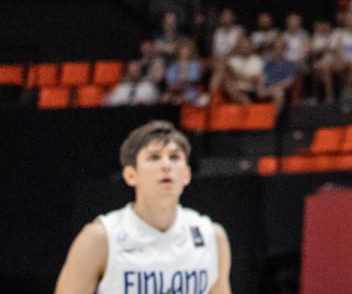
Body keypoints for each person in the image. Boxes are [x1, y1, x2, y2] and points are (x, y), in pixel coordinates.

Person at [52, 122, 232, 294]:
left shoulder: (211, 237)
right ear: (131, 175)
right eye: (154, 157)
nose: (166, 165)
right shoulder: (100, 238)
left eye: (174, 157)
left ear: (186, 174)